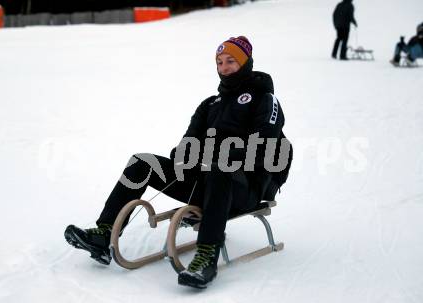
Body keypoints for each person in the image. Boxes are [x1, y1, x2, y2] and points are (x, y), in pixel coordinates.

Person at [64, 36, 292, 289]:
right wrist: (186, 155)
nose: (224, 67)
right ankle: (104, 232)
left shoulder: (265, 99)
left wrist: (214, 155)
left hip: (245, 186)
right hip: (207, 183)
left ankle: (206, 257)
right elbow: (187, 145)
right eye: (220, 62)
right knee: (142, 163)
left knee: (221, 169)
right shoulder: (210, 105)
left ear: (246, 63)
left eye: (231, 61)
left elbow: (262, 147)